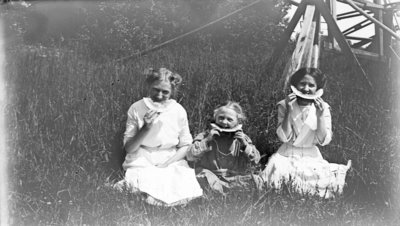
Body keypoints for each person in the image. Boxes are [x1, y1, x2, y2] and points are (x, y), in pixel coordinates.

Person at [115, 67, 203, 206]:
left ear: (172, 92)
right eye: (156, 89)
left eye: (165, 92)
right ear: (149, 86)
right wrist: (146, 127)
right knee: (144, 180)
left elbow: (186, 144)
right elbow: (129, 148)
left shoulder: (178, 110)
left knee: (179, 181)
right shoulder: (136, 108)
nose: (160, 95)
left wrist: (166, 164)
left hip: (169, 156)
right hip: (141, 155)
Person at [260, 67, 351, 198]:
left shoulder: (323, 108)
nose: (306, 89)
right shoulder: (284, 105)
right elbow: (283, 137)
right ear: (295, 85)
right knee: (277, 172)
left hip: (311, 153)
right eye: (302, 84)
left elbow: (324, 140)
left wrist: (320, 117)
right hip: (287, 151)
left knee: (315, 177)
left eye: (311, 85)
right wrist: (289, 112)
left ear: (317, 88)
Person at [186, 101, 262, 194]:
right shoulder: (205, 135)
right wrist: (207, 140)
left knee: (256, 180)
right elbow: (190, 156)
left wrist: (244, 144)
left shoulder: (242, 138)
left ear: (238, 121)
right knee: (203, 176)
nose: (224, 122)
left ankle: (225, 191)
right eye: (221, 118)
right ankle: (220, 193)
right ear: (215, 118)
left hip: (233, 177)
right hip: (211, 176)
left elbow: (255, 160)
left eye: (230, 120)